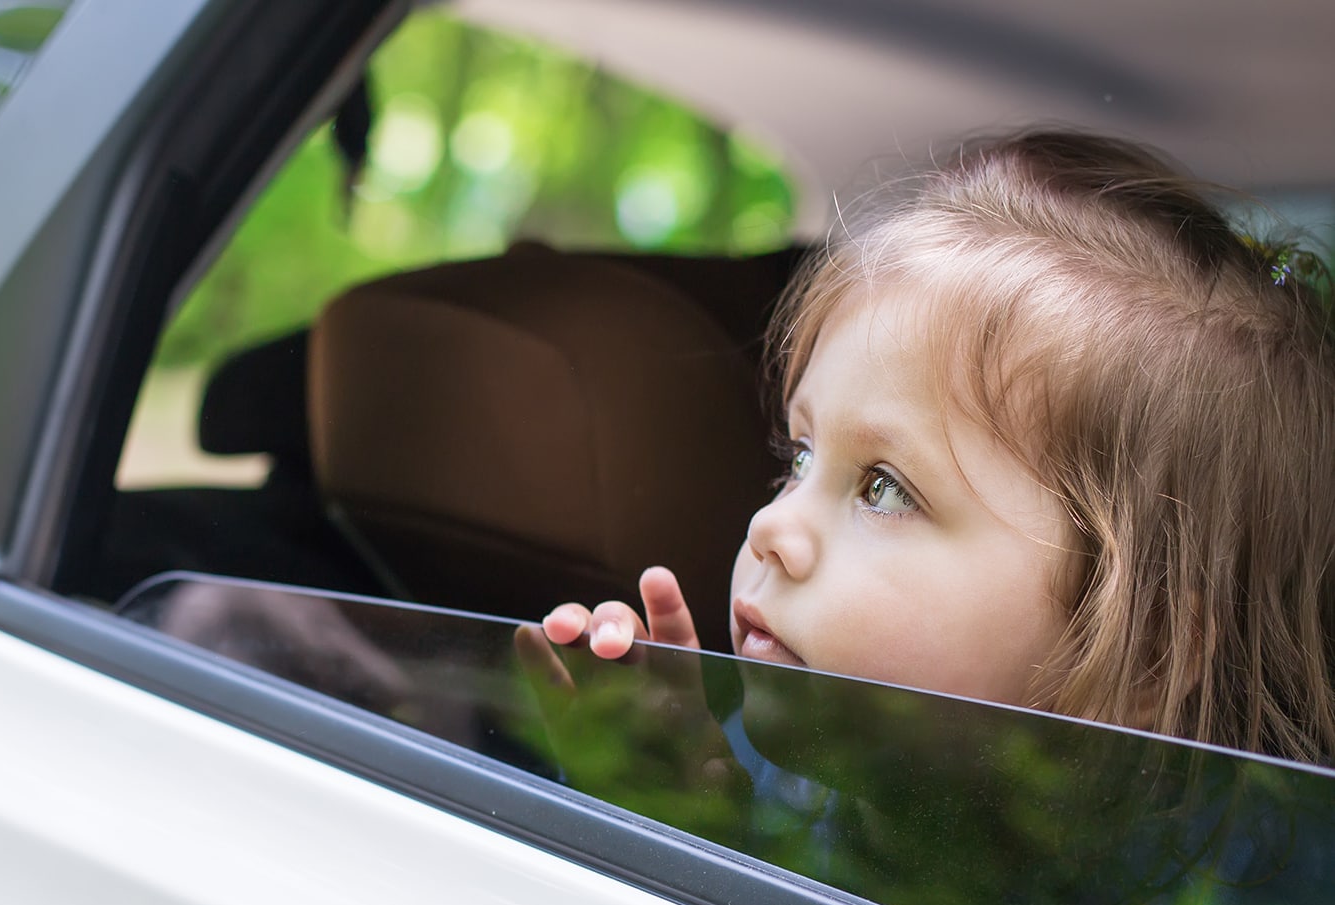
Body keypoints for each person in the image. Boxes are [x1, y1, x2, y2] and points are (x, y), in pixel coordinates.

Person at [539, 130, 1335, 764]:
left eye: (884, 487)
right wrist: (690, 788)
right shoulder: (788, 778)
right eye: (800, 457)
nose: (770, 530)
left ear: (1149, 655)